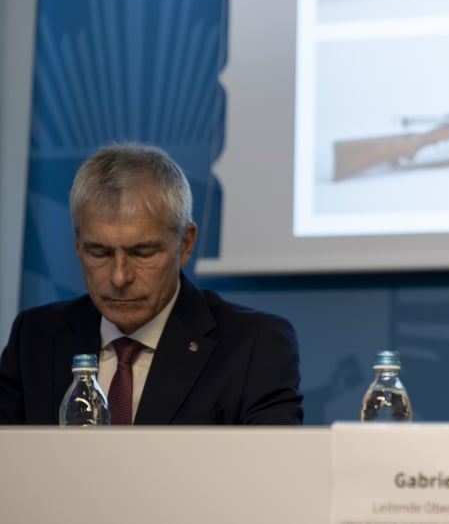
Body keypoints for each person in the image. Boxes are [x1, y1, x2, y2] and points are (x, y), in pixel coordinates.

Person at [0, 142, 303, 424]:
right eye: (100, 252)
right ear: (78, 246)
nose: (119, 277)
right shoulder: (35, 340)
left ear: (185, 243)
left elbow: (272, 474)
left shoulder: (254, 346)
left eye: (142, 253)